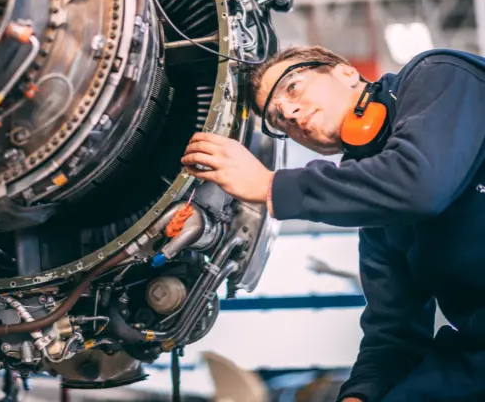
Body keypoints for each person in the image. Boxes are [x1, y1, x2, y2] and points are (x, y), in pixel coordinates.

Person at [181, 45, 485, 402]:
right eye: (277, 120)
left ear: (345, 72)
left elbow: (420, 185)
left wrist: (270, 186)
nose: (289, 113)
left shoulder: (442, 74)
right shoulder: (377, 217)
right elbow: (394, 335)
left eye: (292, 88)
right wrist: (360, 394)